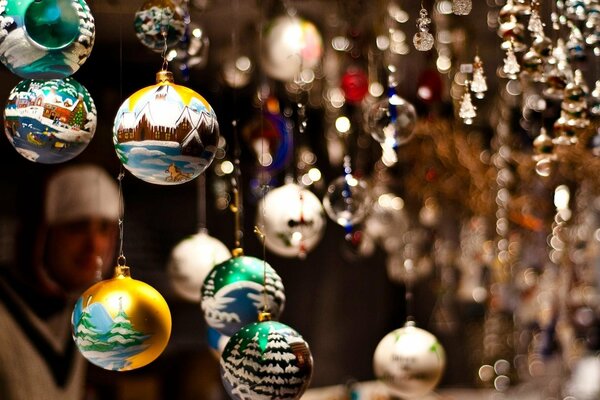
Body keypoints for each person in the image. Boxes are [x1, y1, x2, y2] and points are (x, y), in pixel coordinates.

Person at [0, 163, 120, 400]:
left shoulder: (82, 314)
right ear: (40, 236)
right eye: (76, 227)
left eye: (104, 228)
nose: (94, 245)